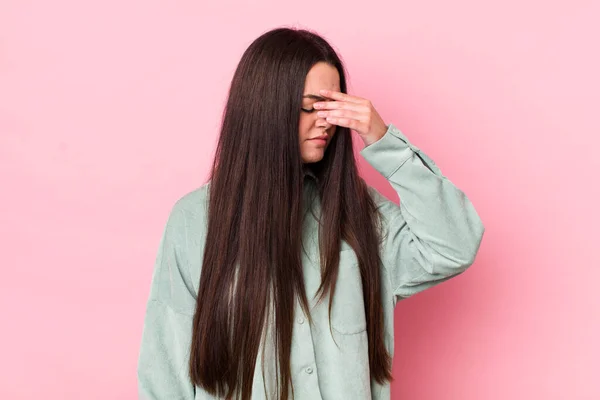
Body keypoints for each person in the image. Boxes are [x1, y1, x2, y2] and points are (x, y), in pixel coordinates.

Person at [136, 27, 485, 400]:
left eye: (334, 107)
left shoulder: (357, 213)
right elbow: (166, 373)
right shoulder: (194, 221)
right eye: (312, 106)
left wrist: (383, 141)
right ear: (267, 106)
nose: (328, 121)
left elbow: (454, 246)